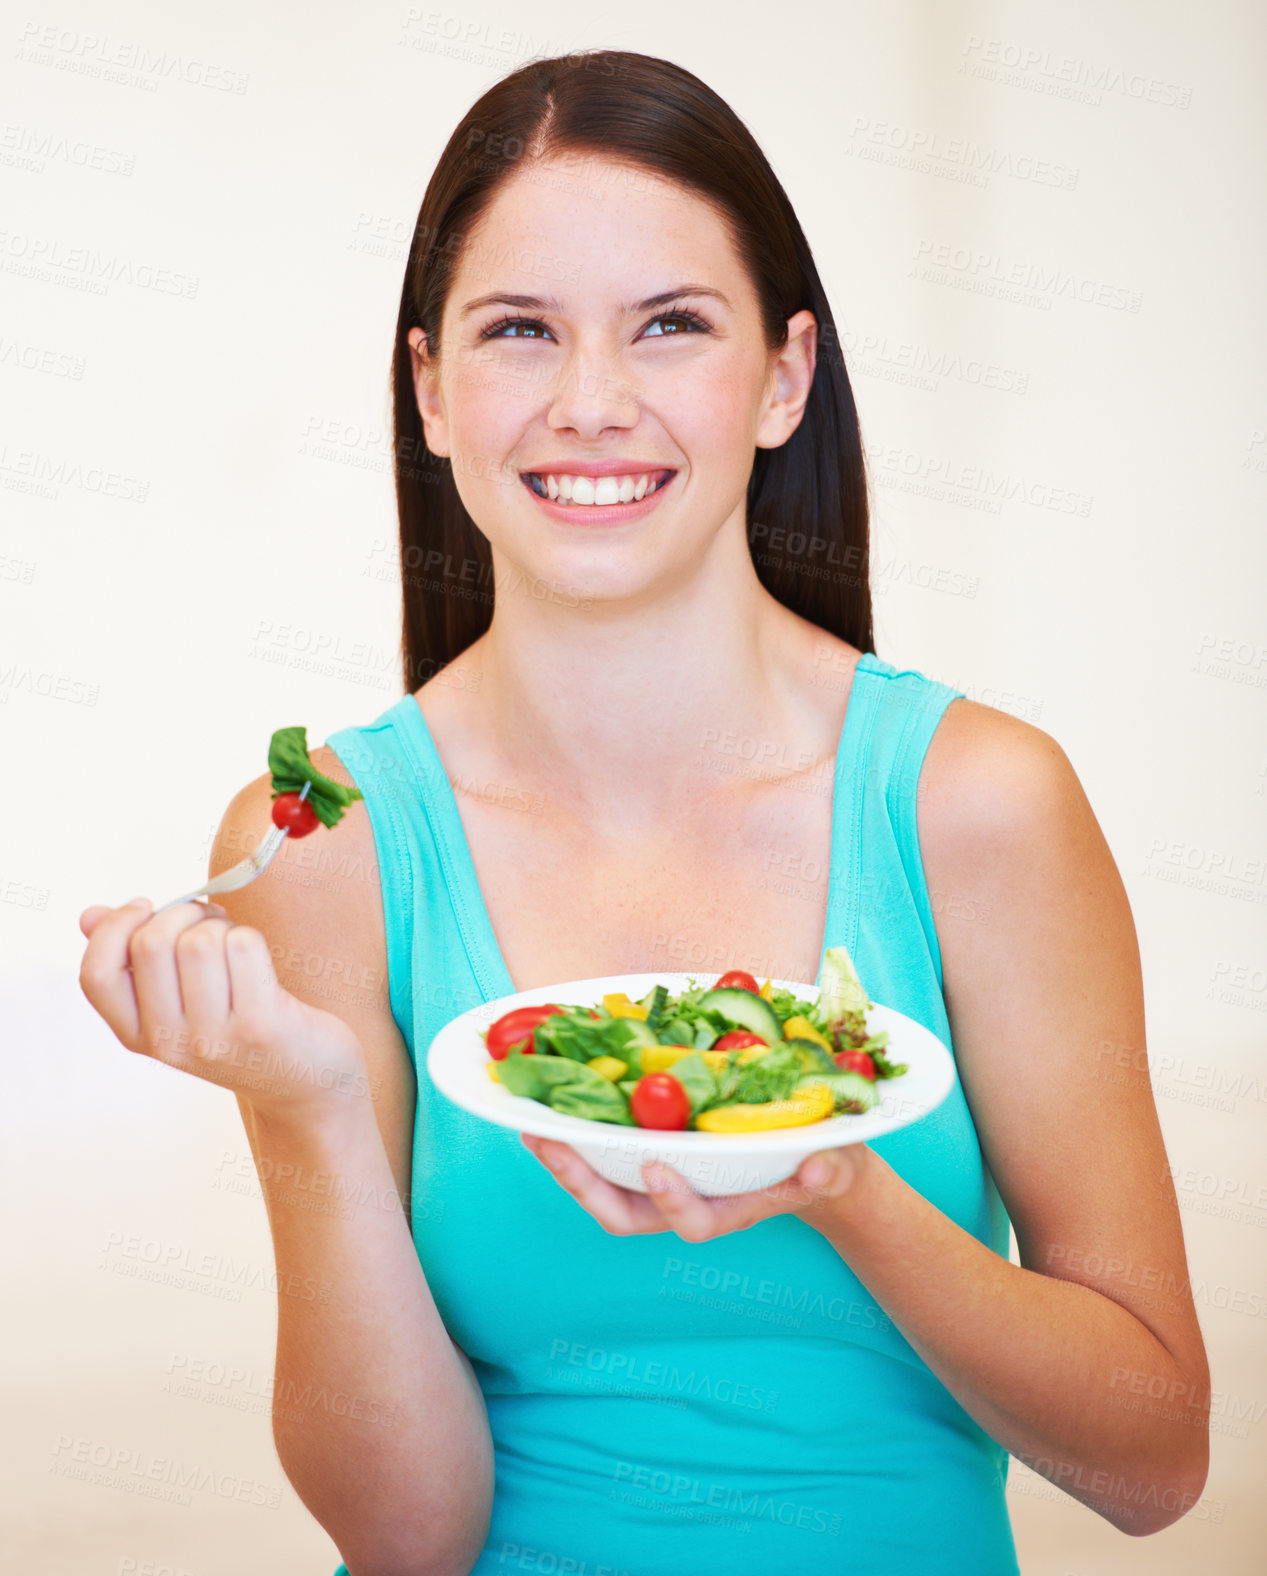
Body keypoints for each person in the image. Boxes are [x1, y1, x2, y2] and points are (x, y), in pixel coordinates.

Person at [78, 49, 1210, 1576]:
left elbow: (1152, 1462)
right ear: (428, 389)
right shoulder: (324, 838)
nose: (592, 403)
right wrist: (309, 1105)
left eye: (670, 326)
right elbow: (409, 1540)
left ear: (784, 377)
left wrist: (839, 1188)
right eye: (519, 333)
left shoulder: (976, 806)